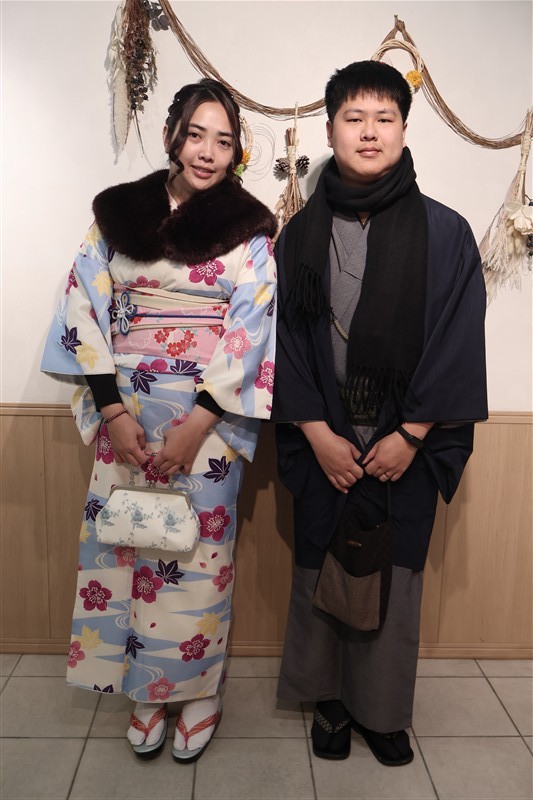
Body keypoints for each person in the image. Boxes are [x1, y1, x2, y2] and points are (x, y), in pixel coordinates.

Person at [41, 78, 277, 762]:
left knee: (197, 558)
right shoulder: (118, 216)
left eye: (223, 141)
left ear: (235, 153)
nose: (207, 152)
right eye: (196, 134)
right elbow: (83, 305)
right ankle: (144, 691)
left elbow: (251, 325)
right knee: (127, 546)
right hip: (126, 414)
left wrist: (199, 423)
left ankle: (198, 690)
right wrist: (111, 410)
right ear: (174, 133)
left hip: (207, 423)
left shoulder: (249, 231)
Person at [272, 61, 487, 766]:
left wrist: (412, 435)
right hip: (324, 432)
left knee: (393, 573)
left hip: (405, 437)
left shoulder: (445, 233)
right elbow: (283, 343)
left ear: (403, 127)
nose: (369, 132)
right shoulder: (298, 234)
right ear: (330, 129)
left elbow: (457, 338)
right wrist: (314, 432)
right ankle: (329, 703)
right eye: (353, 118)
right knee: (319, 567)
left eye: (383, 118)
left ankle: (383, 712)